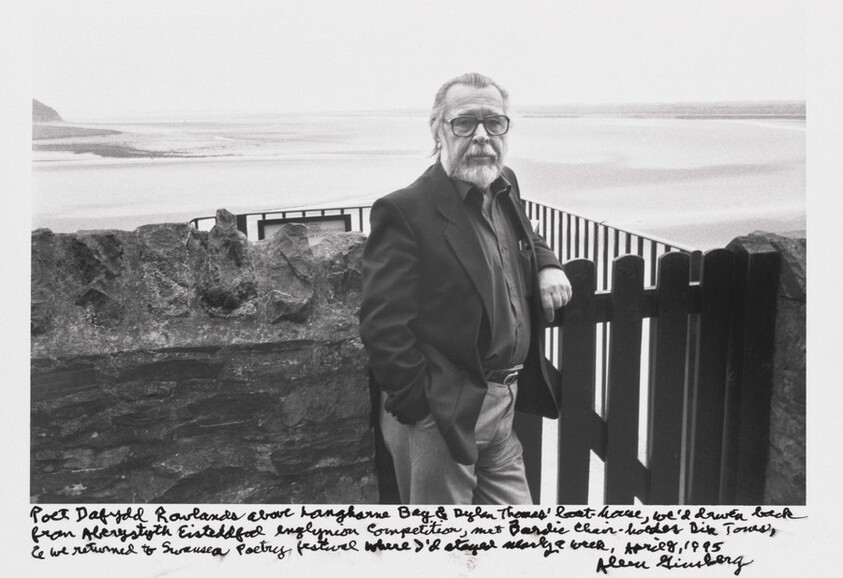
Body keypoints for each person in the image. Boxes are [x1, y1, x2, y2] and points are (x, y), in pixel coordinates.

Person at [359, 72, 572, 505]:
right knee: (446, 554)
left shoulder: (501, 182)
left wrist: (548, 266)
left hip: (502, 404)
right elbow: (383, 325)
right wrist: (421, 410)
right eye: (464, 123)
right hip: (441, 411)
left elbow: (525, 235)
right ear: (439, 130)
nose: (481, 136)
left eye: (494, 123)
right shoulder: (405, 210)